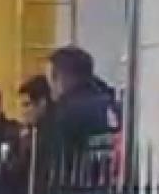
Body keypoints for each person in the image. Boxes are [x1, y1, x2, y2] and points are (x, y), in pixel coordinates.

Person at [44, 45, 122, 182]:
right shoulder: (113, 105)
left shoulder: (66, 112)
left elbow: (58, 163)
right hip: (111, 186)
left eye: (50, 78)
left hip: (77, 189)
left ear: (59, 77)